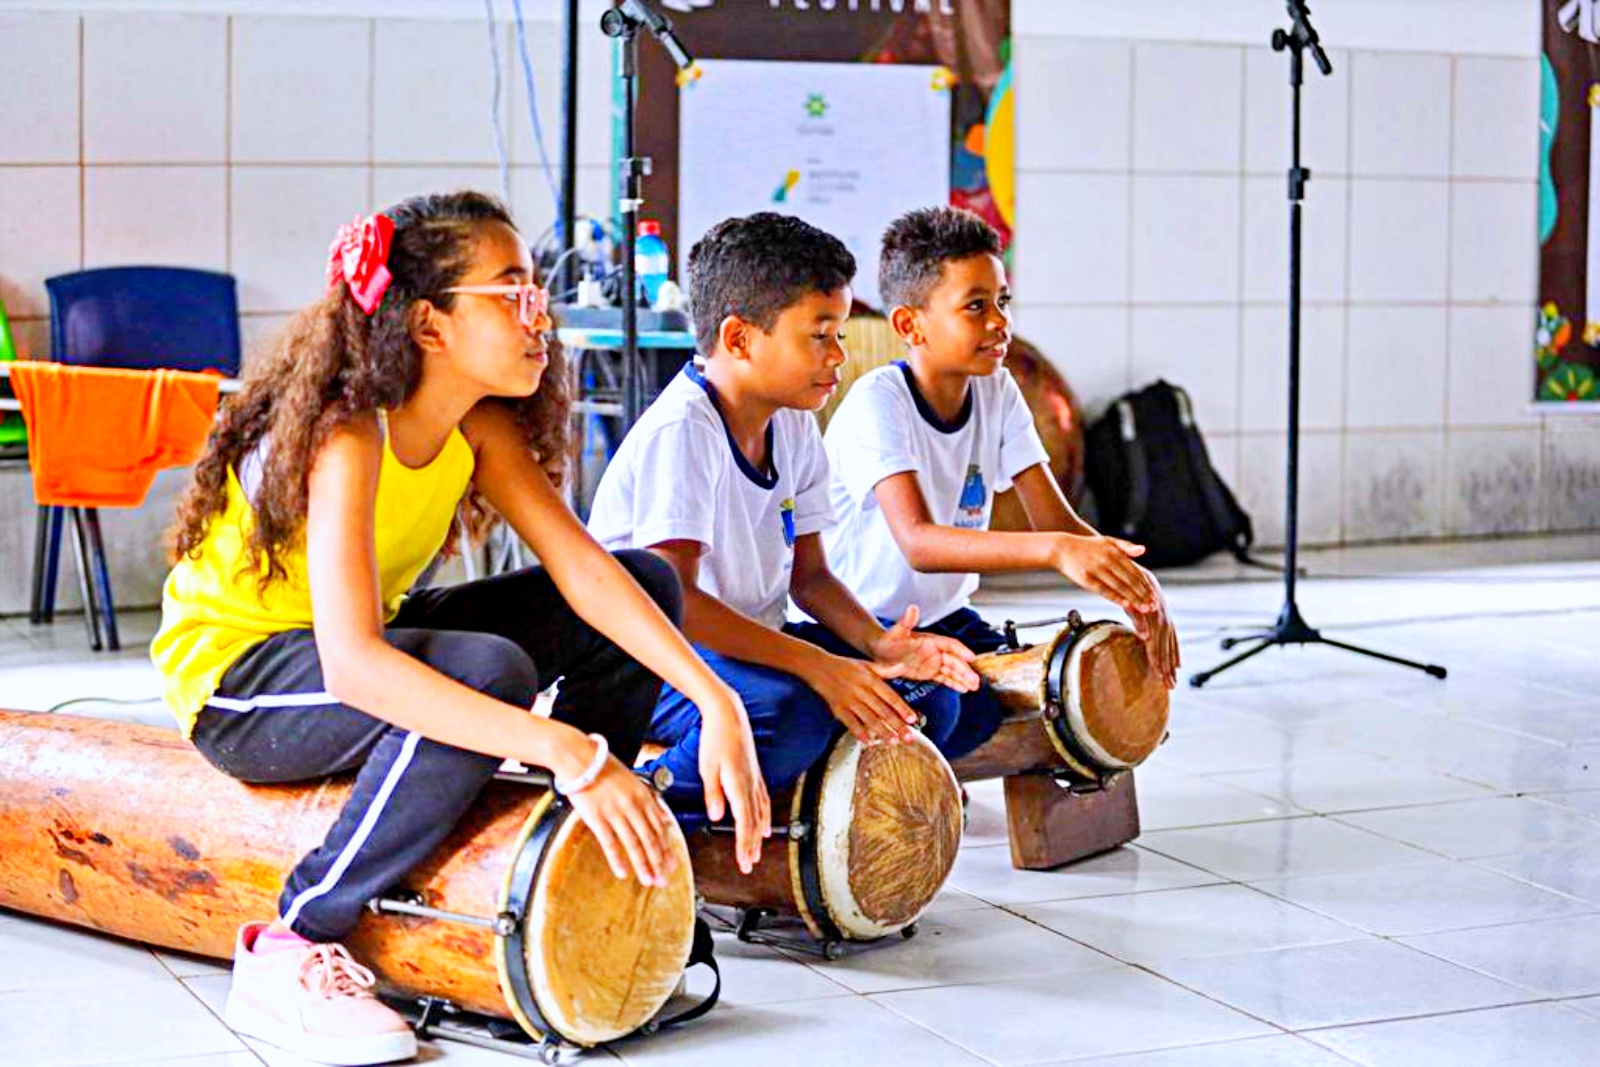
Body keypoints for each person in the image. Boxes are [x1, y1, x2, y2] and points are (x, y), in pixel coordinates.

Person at [151, 192, 765, 1067]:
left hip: (354, 643)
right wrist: (570, 749)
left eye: (535, 290)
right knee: (486, 671)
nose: (538, 313)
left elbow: (585, 573)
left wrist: (715, 699)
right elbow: (355, 665)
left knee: (645, 580)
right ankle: (293, 941)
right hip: (240, 682)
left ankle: (567, 863)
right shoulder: (348, 434)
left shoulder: (477, 424)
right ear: (430, 323)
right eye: (511, 290)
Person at [587, 212, 980, 820]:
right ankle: (643, 797)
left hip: (750, 643)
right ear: (740, 338)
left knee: (927, 696)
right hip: (654, 660)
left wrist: (878, 644)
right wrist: (820, 667)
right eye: (819, 336)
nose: (839, 355)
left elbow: (811, 578)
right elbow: (676, 603)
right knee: (787, 714)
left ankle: (814, 804)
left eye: (840, 333)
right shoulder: (683, 429)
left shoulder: (793, 421)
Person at [818, 206, 1178, 756]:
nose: (999, 322)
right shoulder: (878, 403)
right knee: (955, 708)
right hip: (859, 629)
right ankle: (901, 779)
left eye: (1002, 302)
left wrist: (1140, 590)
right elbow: (920, 544)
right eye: (976, 306)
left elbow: (1058, 523)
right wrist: (1054, 551)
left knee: (1058, 692)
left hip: (944, 620)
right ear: (910, 325)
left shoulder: (997, 390)